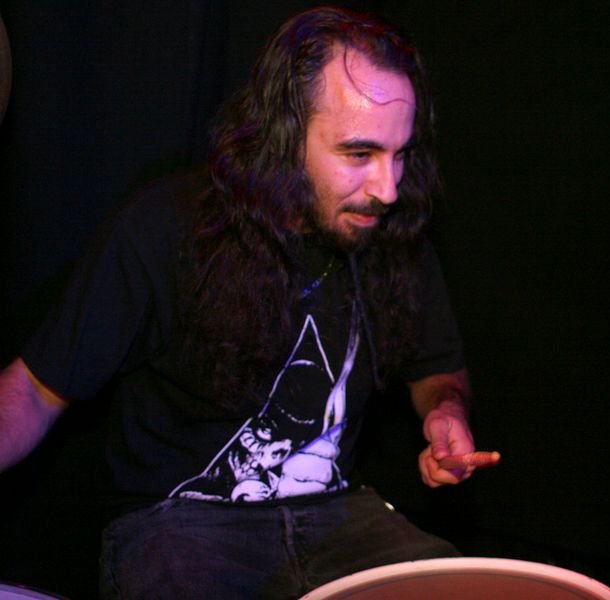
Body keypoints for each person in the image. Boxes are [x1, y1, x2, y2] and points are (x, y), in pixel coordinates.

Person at [0, 6, 486, 598]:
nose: (387, 188)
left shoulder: (390, 232)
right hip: (183, 527)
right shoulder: (166, 229)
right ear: (283, 137)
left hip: (341, 519)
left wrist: (445, 413)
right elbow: (33, 391)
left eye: (400, 153)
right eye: (359, 154)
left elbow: (437, 369)